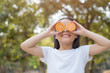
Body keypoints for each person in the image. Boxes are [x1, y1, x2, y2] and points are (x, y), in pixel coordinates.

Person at [20, 17, 110, 73]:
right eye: (61, 28)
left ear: (76, 35)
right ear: (55, 35)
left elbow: (107, 44)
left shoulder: (82, 52)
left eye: (70, 28)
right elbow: (25, 46)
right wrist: (46, 33)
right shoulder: (49, 53)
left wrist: (85, 32)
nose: (65, 30)